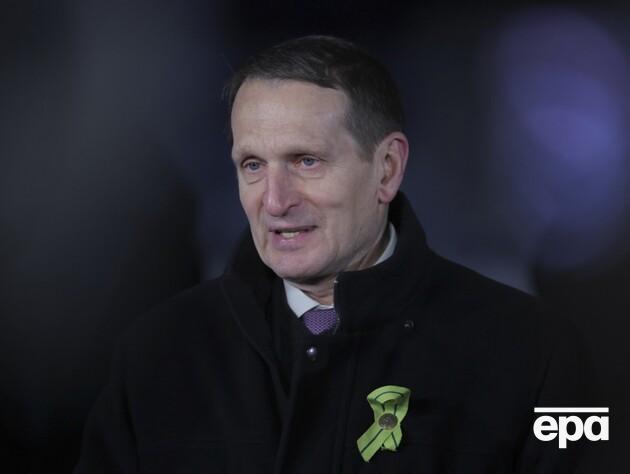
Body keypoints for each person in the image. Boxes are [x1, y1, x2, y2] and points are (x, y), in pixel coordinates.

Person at [74, 35, 588, 473]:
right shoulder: (156, 355)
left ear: (387, 169)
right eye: (253, 165)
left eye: (306, 161)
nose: (275, 201)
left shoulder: (532, 352)